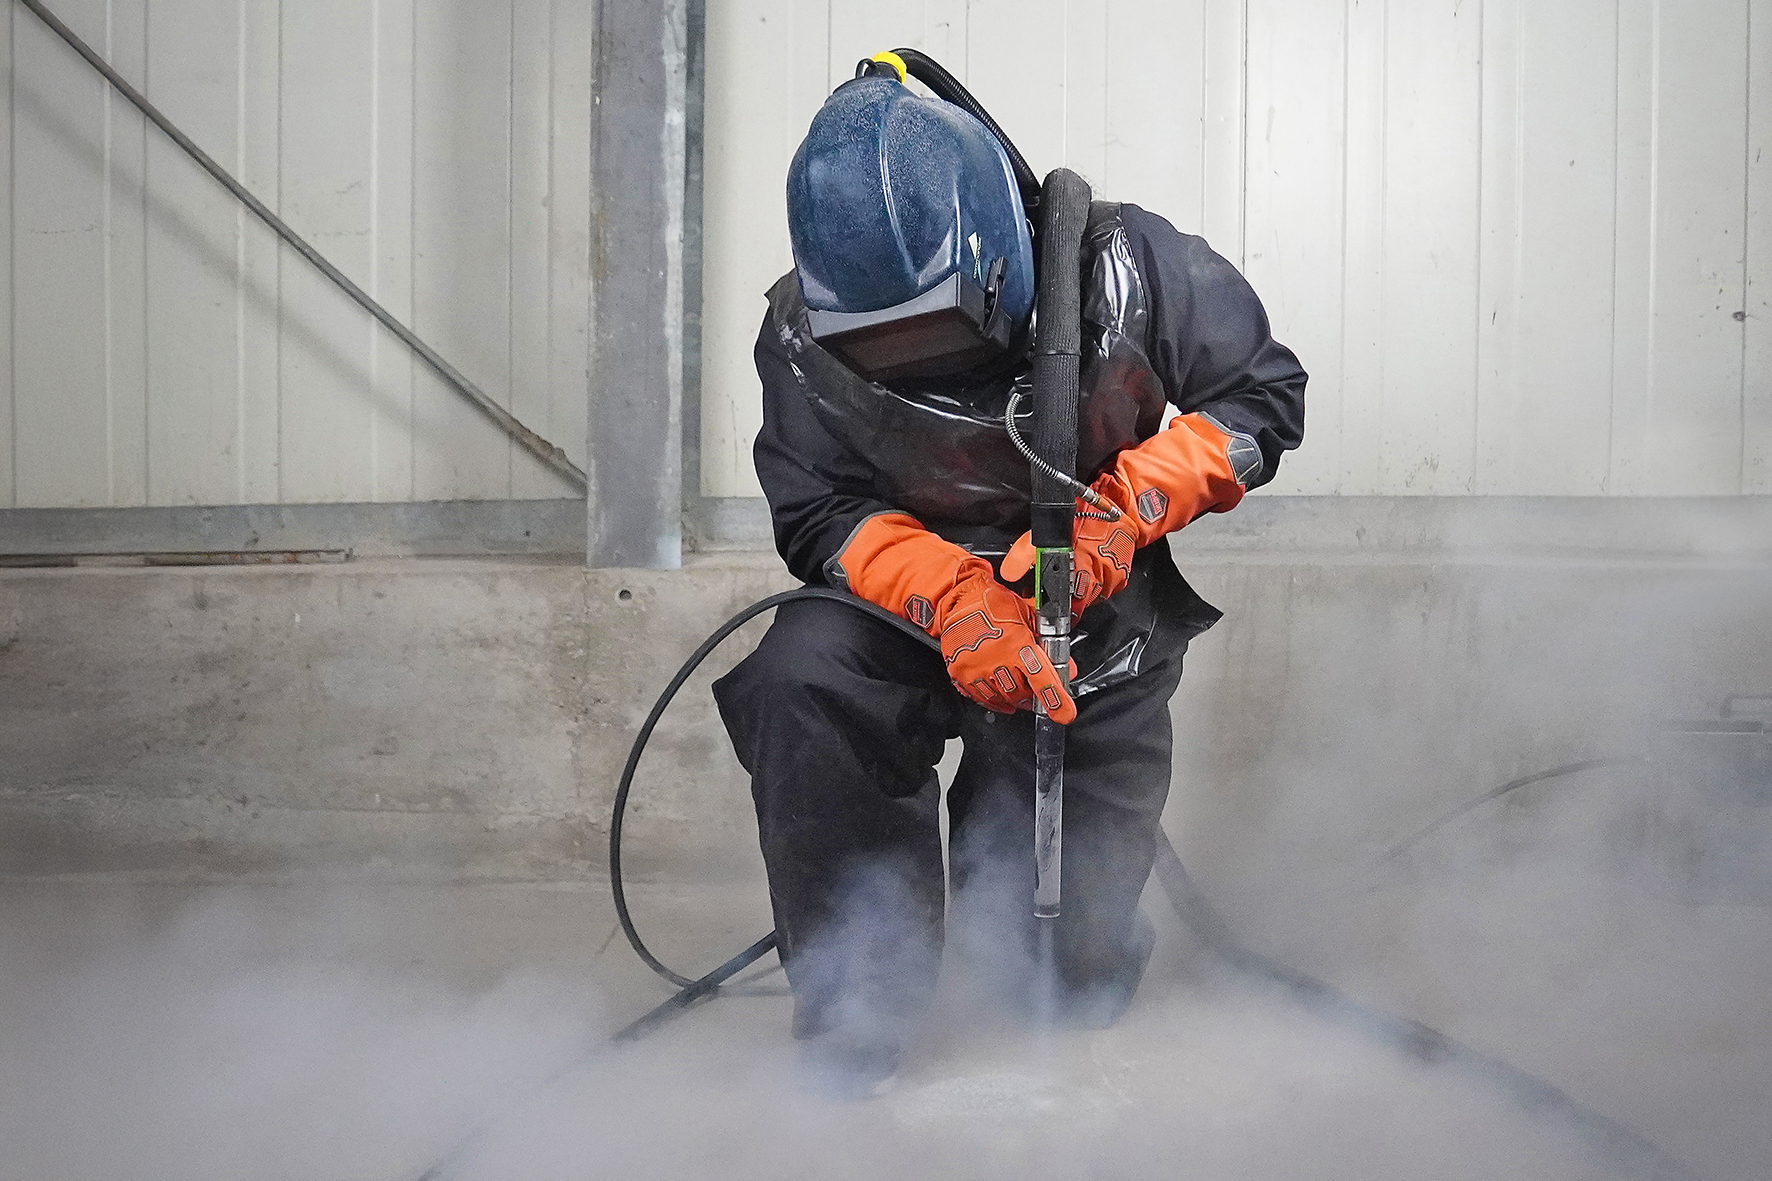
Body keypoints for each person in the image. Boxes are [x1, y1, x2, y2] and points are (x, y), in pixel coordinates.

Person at [713, 54, 1306, 1097]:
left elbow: (1263, 401)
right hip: (908, 610)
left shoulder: (1131, 268)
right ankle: (859, 1002)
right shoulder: (802, 336)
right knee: (799, 675)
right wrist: (950, 596)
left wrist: (1123, 510)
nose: (919, 363)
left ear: (996, 257)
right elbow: (815, 513)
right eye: (882, 345)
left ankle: (1072, 951)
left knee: (1063, 986)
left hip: (1090, 606)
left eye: (935, 329)